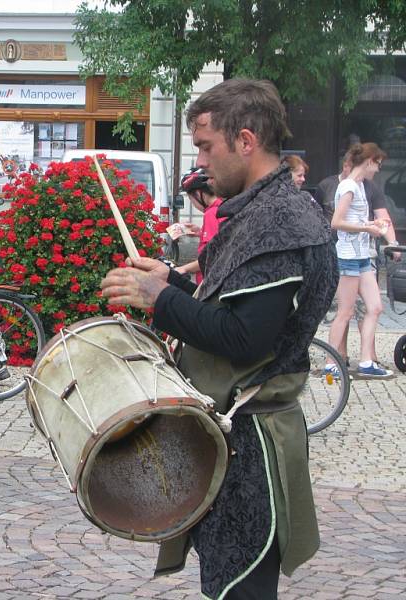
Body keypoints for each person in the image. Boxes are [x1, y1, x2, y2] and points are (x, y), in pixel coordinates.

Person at [101, 78, 337, 599]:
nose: (200, 161)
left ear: (246, 141)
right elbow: (228, 302)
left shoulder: (282, 223)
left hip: (254, 447)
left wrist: (158, 300)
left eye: (207, 146)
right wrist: (173, 282)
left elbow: (244, 337)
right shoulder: (261, 212)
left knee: (242, 590)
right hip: (235, 435)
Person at [315, 148, 398, 367]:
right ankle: (331, 363)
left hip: (361, 255)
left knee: (375, 306)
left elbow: (355, 220)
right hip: (349, 256)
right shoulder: (349, 186)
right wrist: (366, 228)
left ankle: (366, 361)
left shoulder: (361, 186)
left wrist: (371, 225)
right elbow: (337, 223)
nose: (378, 169)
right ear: (369, 162)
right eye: (378, 164)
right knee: (345, 311)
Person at [174, 167, 224, 284]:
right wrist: (200, 233)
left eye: (191, 200)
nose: (194, 204)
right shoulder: (221, 207)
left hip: (209, 282)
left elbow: (210, 258)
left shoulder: (211, 213)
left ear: (198, 194)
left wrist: (183, 268)